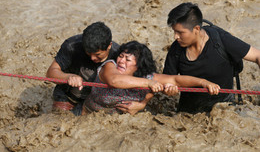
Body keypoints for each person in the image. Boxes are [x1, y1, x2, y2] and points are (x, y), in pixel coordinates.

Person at [163, 2, 260, 114]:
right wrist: (169, 90)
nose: (176, 37)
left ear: (196, 29)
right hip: (188, 113)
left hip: (224, 109)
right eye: (174, 31)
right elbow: (167, 81)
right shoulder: (176, 50)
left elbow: (257, 56)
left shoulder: (221, 40)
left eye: (180, 32)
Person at [82, 41, 221, 115]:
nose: (121, 61)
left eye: (127, 60)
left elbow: (175, 80)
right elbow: (115, 81)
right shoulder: (109, 66)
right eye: (121, 56)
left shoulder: (147, 76)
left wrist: (203, 82)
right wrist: (149, 83)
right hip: (88, 116)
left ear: (138, 66)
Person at [46, 22, 120, 115]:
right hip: (68, 95)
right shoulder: (71, 46)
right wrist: (68, 77)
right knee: (59, 118)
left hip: (98, 99)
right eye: (88, 53)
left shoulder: (119, 55)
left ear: (109, 46)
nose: (93, 58)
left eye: (97, 54)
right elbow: (50, 73)